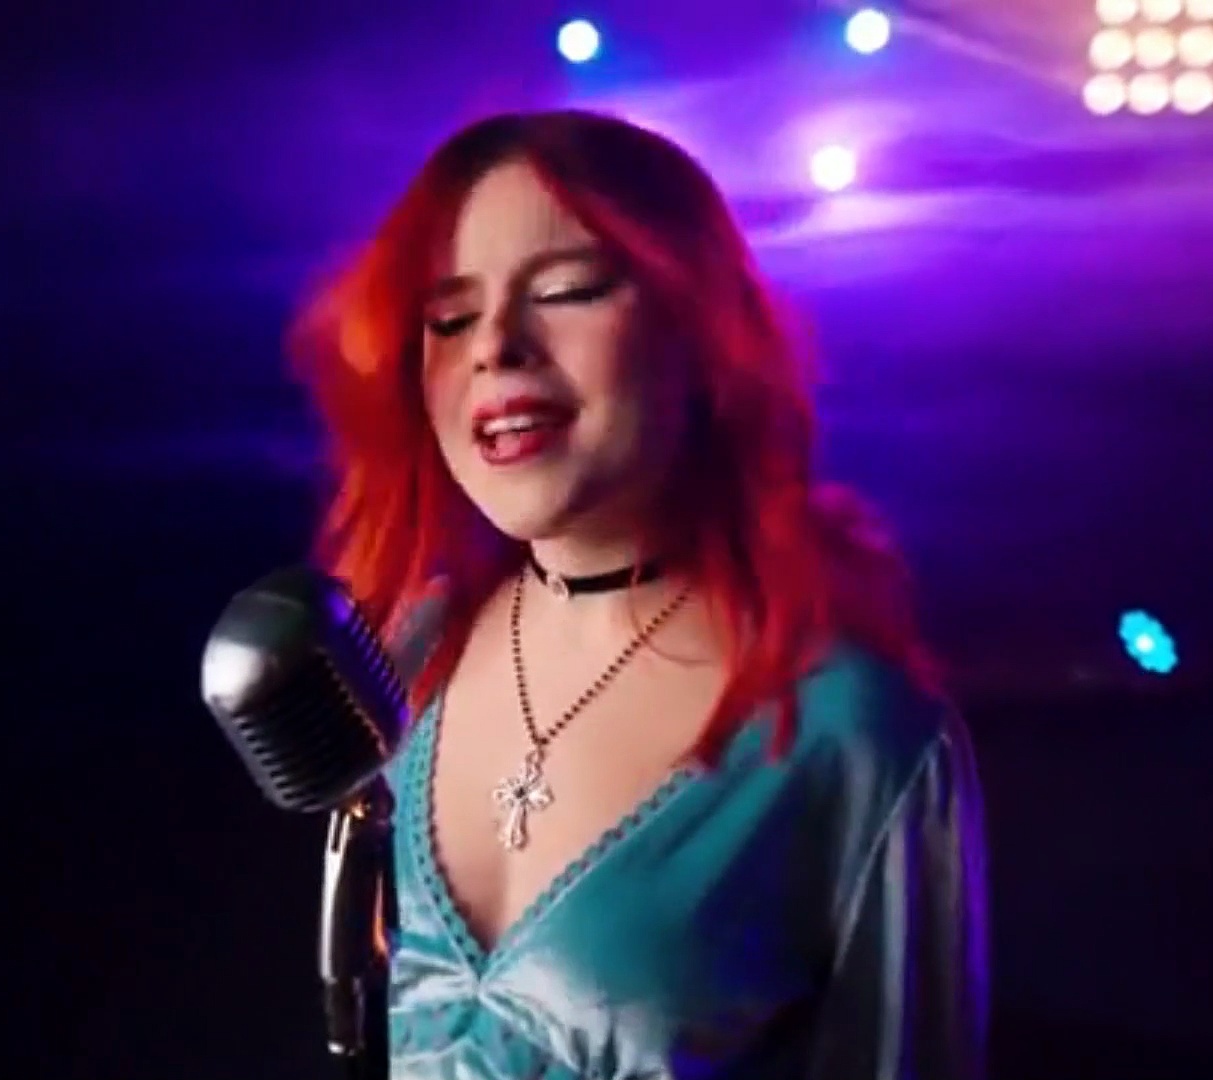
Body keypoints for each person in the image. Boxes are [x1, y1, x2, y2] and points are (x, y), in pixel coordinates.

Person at [289, 108, 988, 1080]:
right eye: (449, 317)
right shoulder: (413, 661)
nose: (495, 346)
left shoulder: (851, 732)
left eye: (566, 291)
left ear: (698, 332)